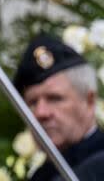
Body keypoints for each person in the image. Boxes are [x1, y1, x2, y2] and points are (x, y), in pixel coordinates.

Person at [14, 34, 104, 181]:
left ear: (89, 101)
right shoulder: (40, 176)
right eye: (32, 103)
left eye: (54, 98)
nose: (40, 113)